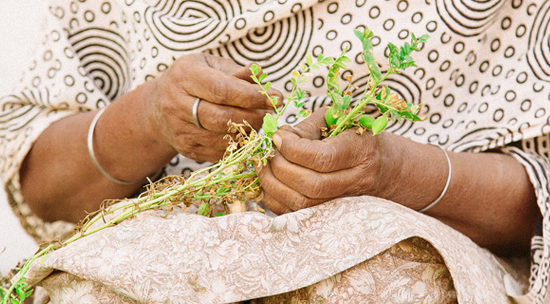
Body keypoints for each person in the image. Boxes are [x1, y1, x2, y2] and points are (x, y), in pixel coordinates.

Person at [1, 0, 549, 303]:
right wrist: (147, 120)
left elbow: (537, 202)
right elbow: (41, 189)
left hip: (404, 268)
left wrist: (400, 174)